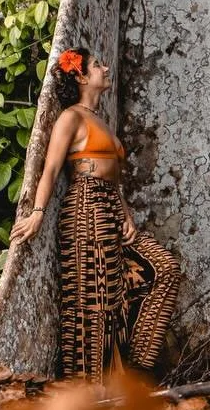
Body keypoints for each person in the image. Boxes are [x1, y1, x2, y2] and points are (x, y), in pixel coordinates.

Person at [10, 45, 180, 379]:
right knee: (94, 298)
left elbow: (113, 179)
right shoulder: (70, 117)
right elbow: (50, 169)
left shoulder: (101, 120)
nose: (105, 68)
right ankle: (90, 388)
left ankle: (135, 369)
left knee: (165, 270)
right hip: (86, 204)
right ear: (82, 76)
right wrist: (37, 212)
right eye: (98, 65)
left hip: (110, 206)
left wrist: (125, 214)